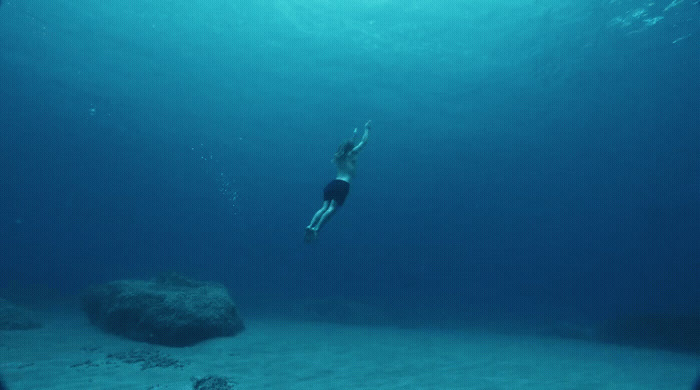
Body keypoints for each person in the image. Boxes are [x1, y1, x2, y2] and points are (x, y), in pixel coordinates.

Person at [305, 120, 370, 242]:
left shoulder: (338, 156)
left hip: (332, 184)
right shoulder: (352, 155)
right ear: (351, 148)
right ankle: (317, 229)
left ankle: (310, 225)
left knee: (323, 207)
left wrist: (352, 137)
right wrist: (367, 129)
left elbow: (350, 145)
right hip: (343, 185)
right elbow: (364, 142)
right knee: (332, 209)